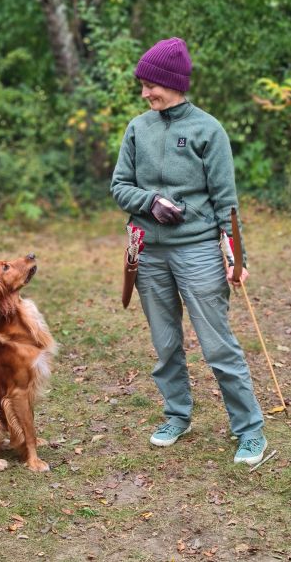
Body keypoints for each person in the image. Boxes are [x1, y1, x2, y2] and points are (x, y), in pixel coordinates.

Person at [110, 37, 267, 466]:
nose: (145, 94)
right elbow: (119, 185)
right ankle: (177, 415)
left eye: (150, 85)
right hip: (149, 255)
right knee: (165, 345)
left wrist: (237, 258)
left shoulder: (207, 129)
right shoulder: (137, 128)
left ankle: (250, 430)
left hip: (198, 252)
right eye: (142, 86)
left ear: (173, 82)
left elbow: (226, 203)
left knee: (218, 346)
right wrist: (150, 203)